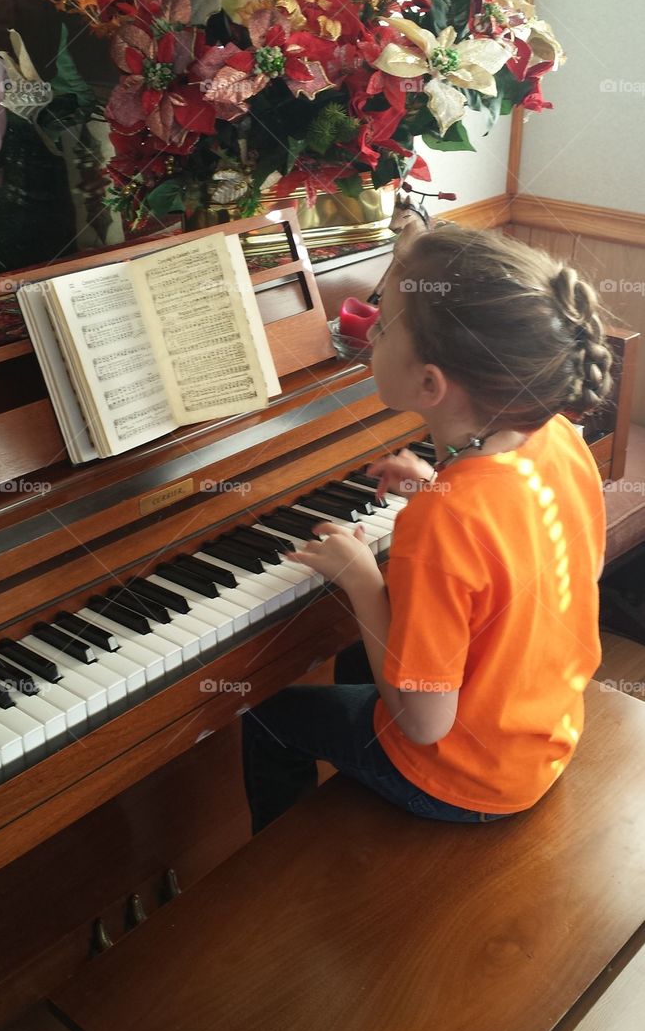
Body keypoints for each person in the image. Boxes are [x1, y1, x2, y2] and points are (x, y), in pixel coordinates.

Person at [241, 223, 613, 834]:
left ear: (430, 384)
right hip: (541, 729)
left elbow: (424, 724)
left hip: (466, 776)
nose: (365, 335)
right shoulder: (559, 436)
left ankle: (286, 877)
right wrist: (442, 477)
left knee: (268, 717)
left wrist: (362, 580)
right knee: (369, 654)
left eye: (382, 327)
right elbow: (562, 563)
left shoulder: (443, 520)